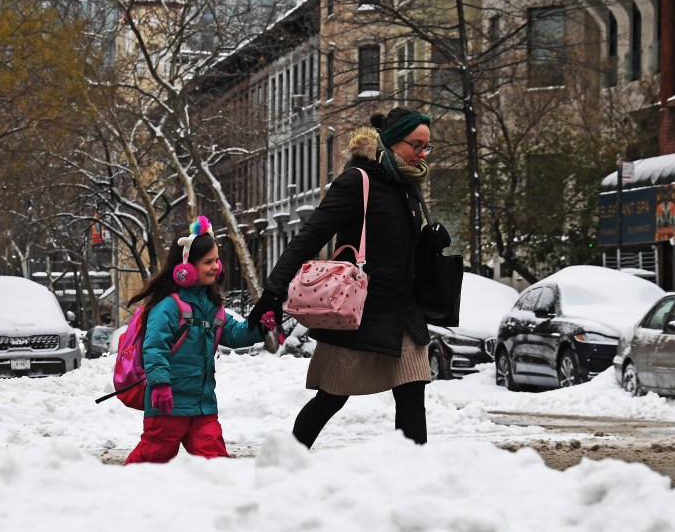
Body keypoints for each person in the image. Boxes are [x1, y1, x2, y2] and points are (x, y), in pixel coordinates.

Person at [248, 107, 449, 448]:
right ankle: (286, 464)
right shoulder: (359, 181)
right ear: (390, 142)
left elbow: (402, 256)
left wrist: (428, 244)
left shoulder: (409, 188)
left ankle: (416, 480)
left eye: (426, 147)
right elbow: (309, 237)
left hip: (402, 312)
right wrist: (272, 292)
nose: (422, 154)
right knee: (332, 397)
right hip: (359, 313)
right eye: (416, 145)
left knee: (413, 395)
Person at [125, 217, 276, 464]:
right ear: (186, 268)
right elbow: (154, 347)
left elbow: (234, 333)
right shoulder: (169, 306)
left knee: (215, 462)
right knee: (150, 461)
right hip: (168, 405)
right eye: (208, 262)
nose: (216, 266)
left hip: (203, 406)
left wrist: (259, 327)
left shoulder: (212, 307)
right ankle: (123, 494)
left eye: (217, 260)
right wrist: (160, 384)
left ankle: (217, 501)